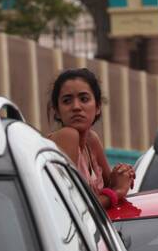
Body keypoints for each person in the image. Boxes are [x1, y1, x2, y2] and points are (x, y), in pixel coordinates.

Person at [46, 68, 134, 209]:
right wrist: (116, 192)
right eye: (67, 101)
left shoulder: (91, 140)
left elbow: (110, 184)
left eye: (84, 99)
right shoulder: (67, 136)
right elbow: (73, 208)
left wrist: (123, 173)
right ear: (57, 110)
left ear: (98, 107)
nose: (76, 107)